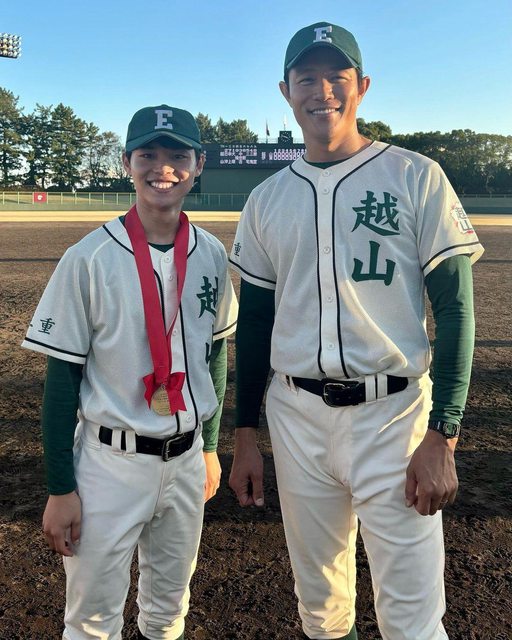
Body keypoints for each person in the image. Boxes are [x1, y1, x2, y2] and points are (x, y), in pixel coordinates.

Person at [228, 21, 483, 640]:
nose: (322, 92)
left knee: (413, 618)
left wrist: (444, 434)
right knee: (319, 606)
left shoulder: (416, 175)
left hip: (393, 417)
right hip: (296, 418)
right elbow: (255, 323)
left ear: (362, 86)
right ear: (285, 92)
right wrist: (245, 433)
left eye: (336, 77)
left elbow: (456, 310)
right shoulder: (266, 199)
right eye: (306, 79)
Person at [22, 104, 238, 640]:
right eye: (148, 155)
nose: (162, 168)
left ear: (198, 165)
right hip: (109, 463)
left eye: (177, 156)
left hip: (186, 459)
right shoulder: (89, 256)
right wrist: (60, 488)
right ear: (126, 163)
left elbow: (215, 355)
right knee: (92, 622)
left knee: (168, 613)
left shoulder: (211, 253)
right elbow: (61, 381)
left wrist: (211, 446)